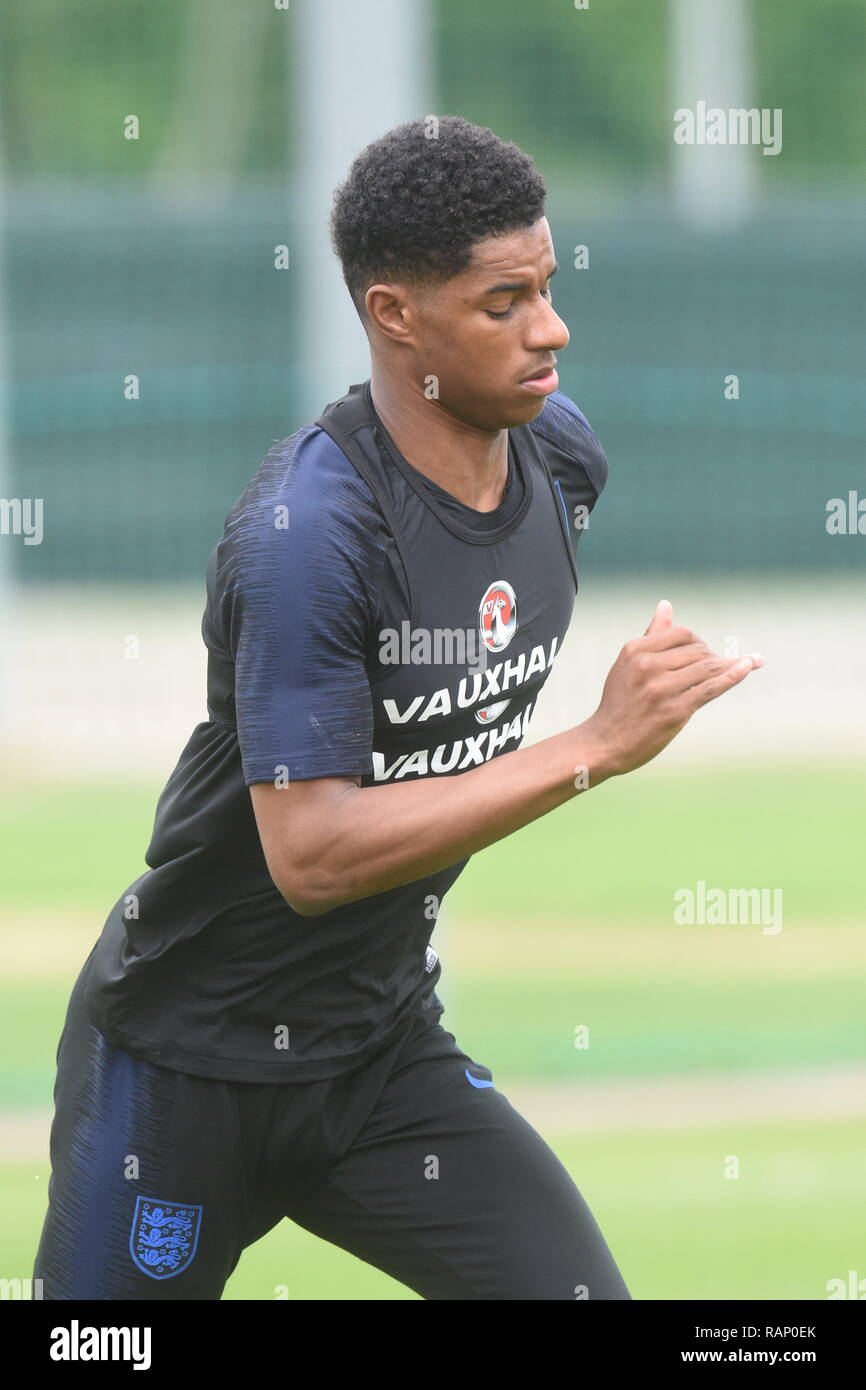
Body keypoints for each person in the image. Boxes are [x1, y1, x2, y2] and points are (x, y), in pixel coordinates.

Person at [33, 115, 763, 1301]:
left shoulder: (558, 460)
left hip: (379, 1058)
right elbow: (311, 855)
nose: (551, 329)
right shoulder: (308, 537)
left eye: (548, 287)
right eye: (503, 303)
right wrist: (592, 747)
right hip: (180, 1070)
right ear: (394, 316)